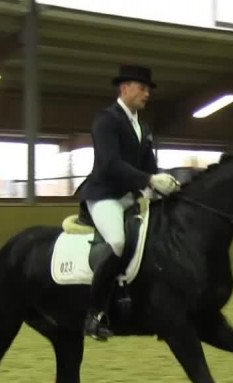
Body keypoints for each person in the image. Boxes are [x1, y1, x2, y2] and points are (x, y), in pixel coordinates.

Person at [77, 65, 180, 341]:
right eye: (142, 87)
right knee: (118, 243)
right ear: (124, 88)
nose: (147, 93)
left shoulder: (143, 127)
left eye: (148, 89)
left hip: (130, 199)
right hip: (104, 197)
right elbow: (110, 164)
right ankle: (94, 314)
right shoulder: (105, 120)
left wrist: (163, 184)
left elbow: (150, 168)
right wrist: (148, 179)